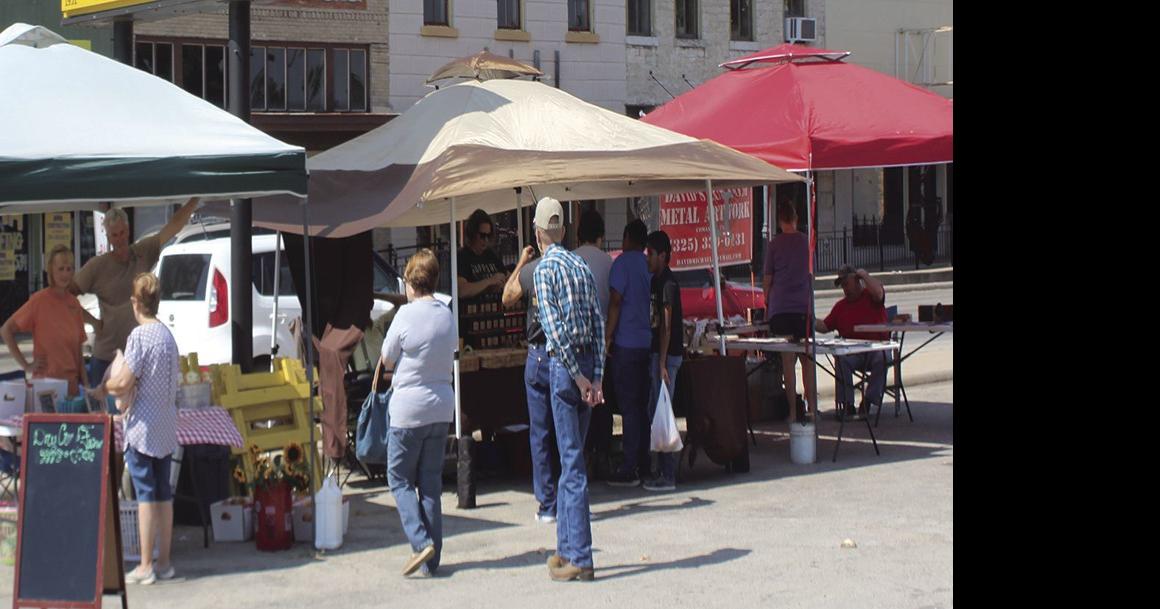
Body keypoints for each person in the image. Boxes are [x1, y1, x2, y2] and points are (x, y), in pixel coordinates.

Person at [531, 196, 605, 582]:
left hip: (566, 370)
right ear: (564, 230)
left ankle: (580, 556)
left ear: (538, 231)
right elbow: (598, 324)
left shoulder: (546, 270)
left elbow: (554, 332)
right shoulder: (580, 264)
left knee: (571, 463)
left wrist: (578, 377)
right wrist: (596, 377)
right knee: (569, 460)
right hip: (587, 366)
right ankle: (565, 549)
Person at [73, 198, 200, 398]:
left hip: (139, 356)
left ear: (128, 230)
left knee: (139, 410)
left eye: (122, 233)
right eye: (114, 235)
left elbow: (173, 228)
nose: (119, 239)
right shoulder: (97, 266)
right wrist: (94, 322)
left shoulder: (143, 252)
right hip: (107, 355)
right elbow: (66, 295)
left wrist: (195, 200)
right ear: (108, 236)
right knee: (104, 417)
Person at [99, 273, 180, 585]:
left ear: (135, 302)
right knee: (163, 494)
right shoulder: (167, 336)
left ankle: (145, 564)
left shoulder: (139, 338)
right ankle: (164, 561)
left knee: (146, 494)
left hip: (143, 427)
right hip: (165, 424)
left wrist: (103, 386)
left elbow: (123, 382)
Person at [380, 249, 456, 577]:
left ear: (411, 283)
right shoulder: (447, 314)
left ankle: (420, 539)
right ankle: (431, 560)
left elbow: (386, 357)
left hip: (409, 409)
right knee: (429, 484)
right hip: (441, 406)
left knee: (398, 478)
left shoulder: (405, 315)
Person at [501, 244, 560, 524]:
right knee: (566, 431)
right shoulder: (572, 267)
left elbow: (507, 297)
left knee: (540, 432)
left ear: (538, 235)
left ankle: (548, 504)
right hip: (565, 352)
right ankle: (572, 499)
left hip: (539, 354)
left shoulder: (532, 271)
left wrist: (521, 261)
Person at [1, 245, 97, 397]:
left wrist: (86, 386)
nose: (65, 274)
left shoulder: (74, 304)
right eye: (60, 269)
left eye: (69, 268)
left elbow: (78, 352)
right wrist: (26, 365)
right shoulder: (38, 301)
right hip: (45, 388)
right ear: (51, 270)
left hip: (72, 388)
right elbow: (6, 330)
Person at [605, 219, 652, 487]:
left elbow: (615, 302)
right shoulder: (647, 265)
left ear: (626, 238)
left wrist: (608, 337)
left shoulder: (621, 264)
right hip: (645, 341)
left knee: (628, 407)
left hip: (625, 343)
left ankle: (630, 464)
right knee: (641, 406)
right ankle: (643, 460)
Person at [761, 200, 816, 422]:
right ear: (795, 219)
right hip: (803, 309)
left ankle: (793, 412)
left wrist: (767, 301)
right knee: (808, 362)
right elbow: (811, 275)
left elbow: (767, 280)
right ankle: (812, 409)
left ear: (780, 221)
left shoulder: (774, 246)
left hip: (781, 310)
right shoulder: (807, 243)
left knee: (788, 362)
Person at [571, 209, 614, 479]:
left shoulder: (571, 260)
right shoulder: (608, 262)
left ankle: (583, 456)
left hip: (577, 346)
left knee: (578, 406)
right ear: (601, 235)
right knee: (602, 404)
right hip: (604, 342)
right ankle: (603, 453)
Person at [815, 265, 890, 419]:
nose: (845, 289)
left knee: (882, 358)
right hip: (853, 352)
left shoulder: (871, 296)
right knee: (841, 359)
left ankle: (869, 400)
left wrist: (864, 275)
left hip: (875, 348)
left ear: (857, 281)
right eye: (842, 286)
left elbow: (879, 292)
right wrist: (808, 319)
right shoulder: (840, 307)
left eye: (846, 284)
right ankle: (847, 405)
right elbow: (825, 326)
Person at [643, 230, 683, 492]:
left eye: (651, 254)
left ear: (663, 256)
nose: (647, 257)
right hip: (659, 355)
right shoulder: (655, 281)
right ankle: (659, 468)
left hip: (666, 357)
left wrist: (662, 362)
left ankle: (668, 475)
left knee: (664, 413)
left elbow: (667, 325)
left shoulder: (668, 284)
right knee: (653, 411)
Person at [456, 209, 507, 342]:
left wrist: (501, 282)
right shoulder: (462, 257)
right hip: (471, 327)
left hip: (494, 324)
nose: (485, 240)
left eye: (488, 236)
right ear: (472, 234)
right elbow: (462, 290)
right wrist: (489, 281)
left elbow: (505, 277)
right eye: (482, 235)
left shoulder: (492, 255)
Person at [572, 209, 612, 319]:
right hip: (602, 325)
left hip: (575, 326)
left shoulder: (569, 259)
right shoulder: (608, 261)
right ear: (601, 235)